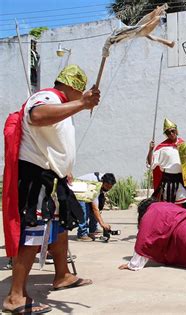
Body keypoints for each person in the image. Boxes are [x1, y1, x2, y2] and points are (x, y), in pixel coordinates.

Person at [2, 65, 99, 314]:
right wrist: (81, 104)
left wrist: (65, 169)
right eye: (80, 93)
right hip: (37, 178)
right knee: (34, 233)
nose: (81, 97)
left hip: (54, 178)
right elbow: (37, 115)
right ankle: (15, 296)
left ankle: (62, 275)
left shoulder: (62, 105)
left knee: (61, 228)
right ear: (71, 87)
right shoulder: (46, 97)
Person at [146, 118, 186, 210]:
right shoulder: (161, 148)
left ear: (176, 131)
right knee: (169, 208)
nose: (171, 134)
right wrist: (150, 149)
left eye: (172, 131)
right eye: (168, 132)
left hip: (182, 180)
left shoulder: (184, 145)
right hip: (168, 182)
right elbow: (150, 163)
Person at [75, 173, 116, 241]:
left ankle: (93, 229)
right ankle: (82, 234)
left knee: (98, 205)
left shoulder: (104, 177)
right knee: (84, 212)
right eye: (107, 186)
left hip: (86, 190)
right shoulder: (95, 185)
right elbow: (95, 209)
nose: (108, 188)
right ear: (102, 182)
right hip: (78, 191)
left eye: (110, 187)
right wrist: (102, 224)